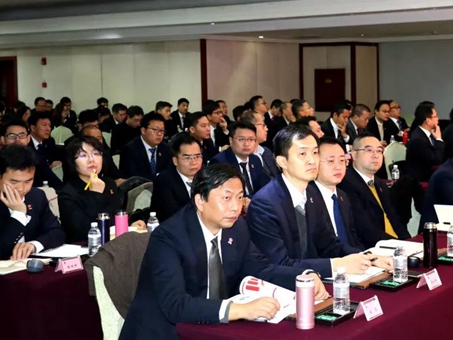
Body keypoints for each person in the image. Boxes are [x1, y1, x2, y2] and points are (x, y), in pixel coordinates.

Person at [120, 163, 328, 340]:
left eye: (240, 197)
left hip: (212, 327)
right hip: (164, 332)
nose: (236, 207)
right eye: (226, 198)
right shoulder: (168, 238)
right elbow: (175, 306)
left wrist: (303, 277)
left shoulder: (236, 228)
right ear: (200, 201)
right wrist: (239, 310)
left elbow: (261, 268)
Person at [247, 125, 376, 278]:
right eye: (302, 154)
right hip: (283, 285)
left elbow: (329, 244)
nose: (312, 161)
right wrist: (337, 264)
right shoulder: (265, 204)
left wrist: (369, 259)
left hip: (315, 279)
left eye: (315, 153)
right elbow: (278, 264)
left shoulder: (312, 193)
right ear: (282, 161)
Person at [58, 136, 146, 242]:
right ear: (73, 163)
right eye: (83, 155)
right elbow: (83, 230)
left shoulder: (109, 183)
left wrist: (130, 224)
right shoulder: (67, 193)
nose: (91, 159)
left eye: (96, 154)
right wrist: (96, 194)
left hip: (113, 243)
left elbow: (114, 217)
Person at [338, 133, 411, 247]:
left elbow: (394, 220)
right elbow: (365, 229)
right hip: (372, 248)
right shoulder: (346, 184)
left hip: (395, 244)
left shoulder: (380, 183)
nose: (375, 155)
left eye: (379, 151)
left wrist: (410, 242)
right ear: (354, 155)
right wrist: (399, 246)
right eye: (369, 150)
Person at [0, 145, 64, 260]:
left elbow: (57, 232)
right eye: (14, 182)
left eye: (28, 181)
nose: (21, 188)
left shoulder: (36, 196)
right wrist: (19, 214)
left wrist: (34, 245)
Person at [312, 138, 364, 249]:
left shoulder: (342, 196)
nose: (338, 167)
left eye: (342, 160)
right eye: (331, 161)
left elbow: (353, 238)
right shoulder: (308, 198)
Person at [150, 133, 203, 222]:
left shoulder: (207, 177)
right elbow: (173, 215)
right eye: (187, 158)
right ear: (175, 160)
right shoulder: (164, 181)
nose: (194, 162)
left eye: (197, 156)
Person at [211, 122, 269, 201]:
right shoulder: (220, 162)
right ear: (231, 140)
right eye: (241, 139)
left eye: (251, 139)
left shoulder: (255, 160)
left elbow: (263, 188)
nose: (246, 144)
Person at [0, 119, 63, 190]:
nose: (17, 139)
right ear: (3, 139)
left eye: (22, 135)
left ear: (28, 139)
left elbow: (56, 182)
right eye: (12, 136)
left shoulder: (36, 158)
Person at [119, 112, 172, 180]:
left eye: (162, 130)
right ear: (143, 130)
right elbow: (132, 177)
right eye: (155, 130)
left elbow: (169, 172)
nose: (159, 134)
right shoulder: (130, 150)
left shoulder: (166, 148)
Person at [405, 103, 445, 182]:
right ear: (428, 121)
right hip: (421, 180)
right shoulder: (418, 139)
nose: (438, 119)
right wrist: (439, 139)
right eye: (436, 116)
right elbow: (436, 160)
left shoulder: (428, 134)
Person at [241, 110, 278, 180]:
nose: (266, 129)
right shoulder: (242, 157)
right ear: (250, 127)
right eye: (263, 125)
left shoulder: (266, 151)